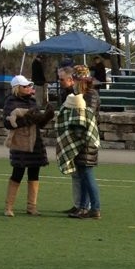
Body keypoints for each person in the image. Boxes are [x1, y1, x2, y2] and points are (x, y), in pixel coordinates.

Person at [2, 75, 55, 217]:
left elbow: (39, 123)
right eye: (25, 86)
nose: (28, 88)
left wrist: (47, 116)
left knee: (34, 173)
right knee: (17, 174)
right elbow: (7, 123)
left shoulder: (32, 101)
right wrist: (26, 119)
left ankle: (32, 207)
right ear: (17, 88)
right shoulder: (10, 102)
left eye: (29, 86)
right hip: (20, 142)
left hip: (35, 141)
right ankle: (9, 207)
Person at [54, 73, 102, 220]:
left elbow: (86, 117)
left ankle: (94, 208)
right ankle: (82, 207)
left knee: (87, 176)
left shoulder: (89, 96)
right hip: (84, 143)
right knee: (83, 177)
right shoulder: (83, 95)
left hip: (86, 143)